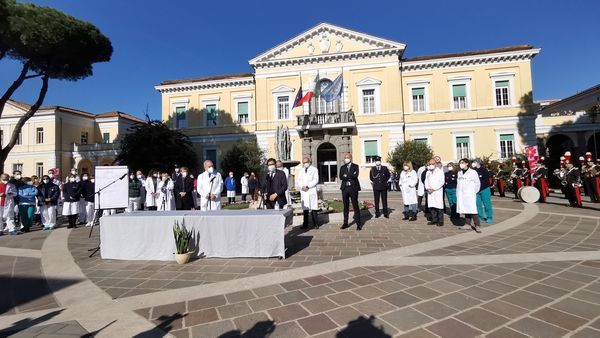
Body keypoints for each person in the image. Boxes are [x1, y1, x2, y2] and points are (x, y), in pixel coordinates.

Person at [457, 159, 482, 233]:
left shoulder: (473, 172)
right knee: (466, 209)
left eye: (462, 163)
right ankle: (467, 224)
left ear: (467, 163)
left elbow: (477, 183)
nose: (461, 164)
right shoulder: (459, 172)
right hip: (462, 194)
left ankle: (477, 225)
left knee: (472, 210)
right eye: (460, 163)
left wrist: (473, 192)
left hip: (470, 194)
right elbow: (459, 183)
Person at [339, 153, 362, 230]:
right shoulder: (342, 167)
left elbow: (355, 176)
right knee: (345, 206)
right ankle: (345, 223)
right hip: (345, 188)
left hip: (353, 188)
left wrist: (347, 176)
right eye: (345, 158)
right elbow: (341, 177)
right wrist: (350, 176)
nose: (346, 159)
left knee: (355, 205)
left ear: (351, 158)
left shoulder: (355, 166)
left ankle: (358, 224)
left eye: (347, 157)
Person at [296, 156, 319, 229]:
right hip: (304, 191)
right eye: (304, 162)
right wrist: (302, 186)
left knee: (313, 208)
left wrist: (308, 186)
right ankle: (305, 224)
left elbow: (316, 180)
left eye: (306, 162)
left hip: (311, 190)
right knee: (305, 209)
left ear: (309, 162)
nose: (305, 163)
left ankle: (316, 224)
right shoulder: (301, 170)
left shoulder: (314, 169)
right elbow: (299, 180)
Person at [473, 159, 494, 223]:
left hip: (484, 189)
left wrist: (480, 187)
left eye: (474, 162)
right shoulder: (473, 171)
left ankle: (489, 217)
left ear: (478, 163)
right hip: (476, 191)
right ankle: (480, 217)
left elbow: (486, 180)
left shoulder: (484, 170)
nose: (473, 163)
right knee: (478, 204)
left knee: (487, 204)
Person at [425, 159, 445, 226]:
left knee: (439, 206)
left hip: (437, 191)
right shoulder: (428, 172)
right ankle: (434, 219)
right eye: (430, 164)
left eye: (432, 164)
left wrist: (434, 188)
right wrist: (427, 188)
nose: (431, 165)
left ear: (435, 164)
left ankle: (440, 221)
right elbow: (426, 181)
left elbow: (441, 182)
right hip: (430, 191)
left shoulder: (439, 172)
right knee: (432, 206)